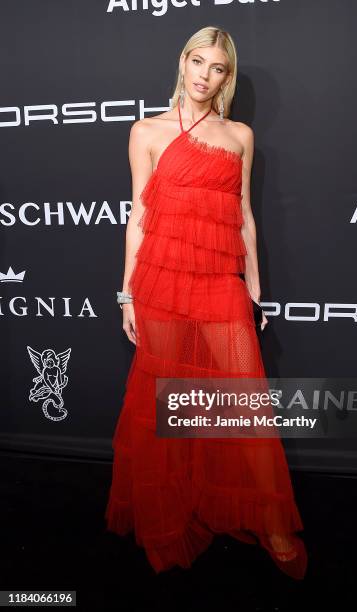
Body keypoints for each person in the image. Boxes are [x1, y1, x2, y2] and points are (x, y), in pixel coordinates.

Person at [105, 26, 307, 580]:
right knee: (168, 406)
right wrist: (127, 293)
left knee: (243, 405)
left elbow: (243, 213)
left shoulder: (239, 134)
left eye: (218, 68)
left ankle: (271, 521)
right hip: (162, 284)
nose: (205, 75)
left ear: (227, 76)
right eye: (198, 62)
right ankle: (173, 510)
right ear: (183, 62)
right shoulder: (145, 131)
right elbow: (138, 218)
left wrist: (254, 283)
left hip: (219, 278)